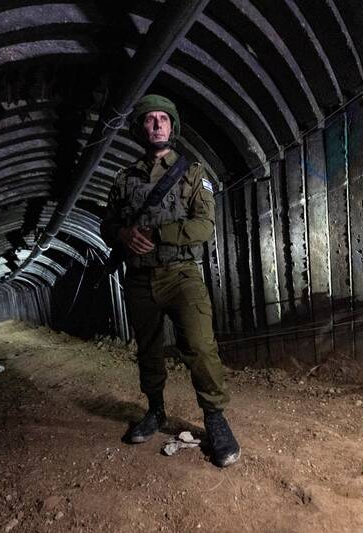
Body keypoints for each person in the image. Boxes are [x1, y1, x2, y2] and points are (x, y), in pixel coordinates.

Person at [99, 94, 240, 467]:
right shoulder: (124, 179)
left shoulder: (192, 173)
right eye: (150, 119)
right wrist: (122, 234)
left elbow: (204, 226)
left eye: (163, 118)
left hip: (181, 274)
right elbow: (107, 224)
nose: (157, 124)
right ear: (140, 129)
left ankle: (215, 418)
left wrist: (159, 233)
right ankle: (155, 410)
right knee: (148, 349)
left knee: (200, 346)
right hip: (139, 278)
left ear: (172, 126)